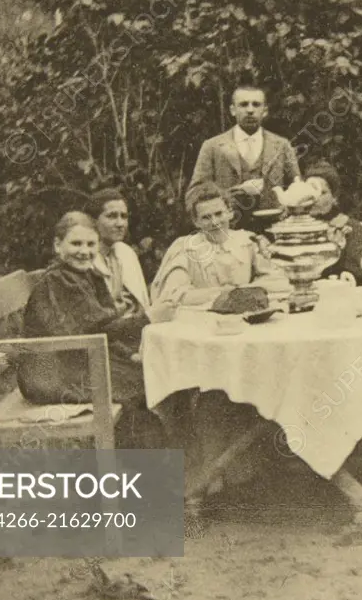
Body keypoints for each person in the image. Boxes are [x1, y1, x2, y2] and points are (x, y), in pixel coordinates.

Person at [16, 212, 172, 446]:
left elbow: (101, 325)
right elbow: (100, 327)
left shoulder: (85, 275)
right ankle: (139, 457)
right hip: (52, 373)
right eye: (76, 243)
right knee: (149, 380)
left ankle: (144, 452)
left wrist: (128, 352)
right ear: (58, 246)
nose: (84, 251)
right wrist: (148, 319)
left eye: (91, 244)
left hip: (75, 358)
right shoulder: (60, 281)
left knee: (152, 373)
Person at [186, 81, 301, 232]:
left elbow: (297, 188)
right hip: (228, 233)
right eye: (243, 104)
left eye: (256, 104)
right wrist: (238, 190)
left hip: (275, 231)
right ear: (233, 110)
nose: (250, 110)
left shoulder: (281, 145)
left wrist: (286, 206)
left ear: (265, 110)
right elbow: (194, 195)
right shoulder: (212, 146)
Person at [151, 182, 277, 306]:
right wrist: (220, 294)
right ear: (196, 222)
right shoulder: (186, 248)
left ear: (230, 213)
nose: (215, 222)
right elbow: (174, 294)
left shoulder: (247, 241)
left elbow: (276, 281)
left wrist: (244, 291)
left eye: (219, 214)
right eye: (206, 217)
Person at [303, 160, 362, 285]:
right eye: (309, 192)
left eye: (322, 193)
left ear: (334, 197)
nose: (314, 198)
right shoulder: (297, 228)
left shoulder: (350, 227)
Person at [85, 188, 150, 313]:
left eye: (124, 216)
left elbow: (143, 304)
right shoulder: (84, 257)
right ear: (93, 221)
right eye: (112, 216)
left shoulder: (126, 253)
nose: (120, 223)